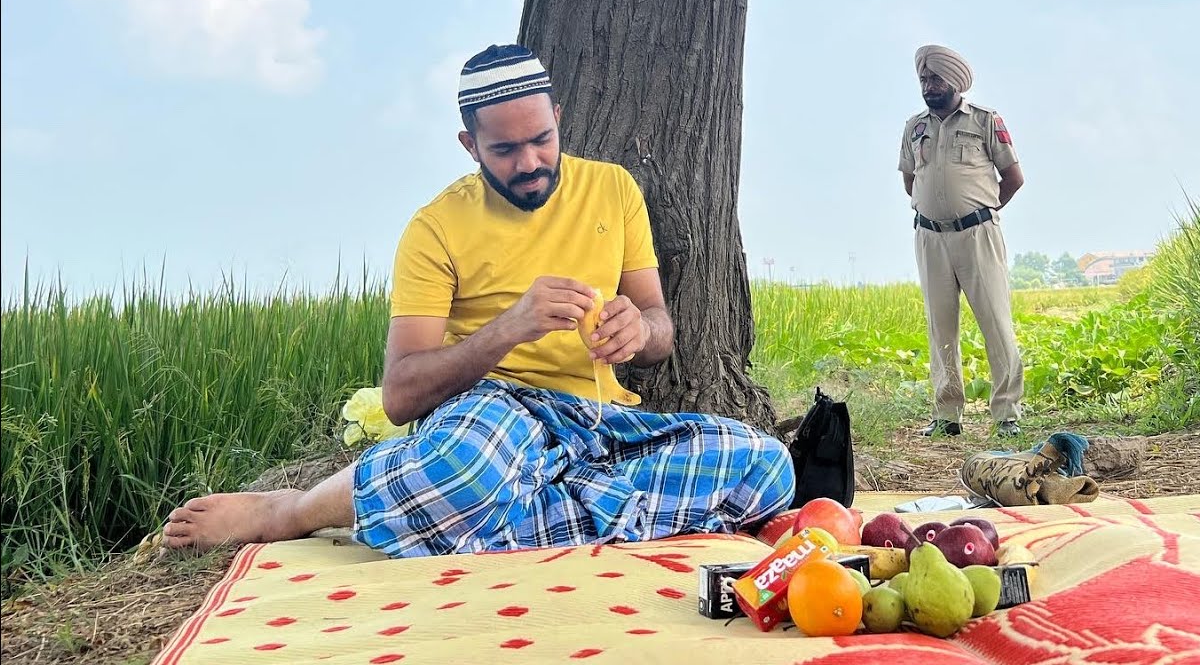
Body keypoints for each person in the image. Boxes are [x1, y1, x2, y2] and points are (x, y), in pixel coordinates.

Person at [162, 44, 795, 557]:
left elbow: (660, 329)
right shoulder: (435, 228)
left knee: (766, 466)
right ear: (469, 145)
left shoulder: (614, 189)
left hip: (598, 425)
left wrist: (639, 330)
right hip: (491, 418)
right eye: (505, 149)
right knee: (465, 467)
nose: (531, 163)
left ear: (558, 118)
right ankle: (293, 510)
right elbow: (401, 396)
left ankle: (492, 515)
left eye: (541, 140)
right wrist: (507, 329)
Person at [898, 44, 1026, 439]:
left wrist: (979, 212)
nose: (928, 85)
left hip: (978, 235)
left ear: (954, 81)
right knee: (941, 328)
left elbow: (1013, 177)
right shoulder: (914, 127)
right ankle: (947, 415)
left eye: (935, 78)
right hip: (930, 238)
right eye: (923, 78)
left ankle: (1007, 414)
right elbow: (909, 180)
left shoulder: (986, 121)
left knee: (995, 321)